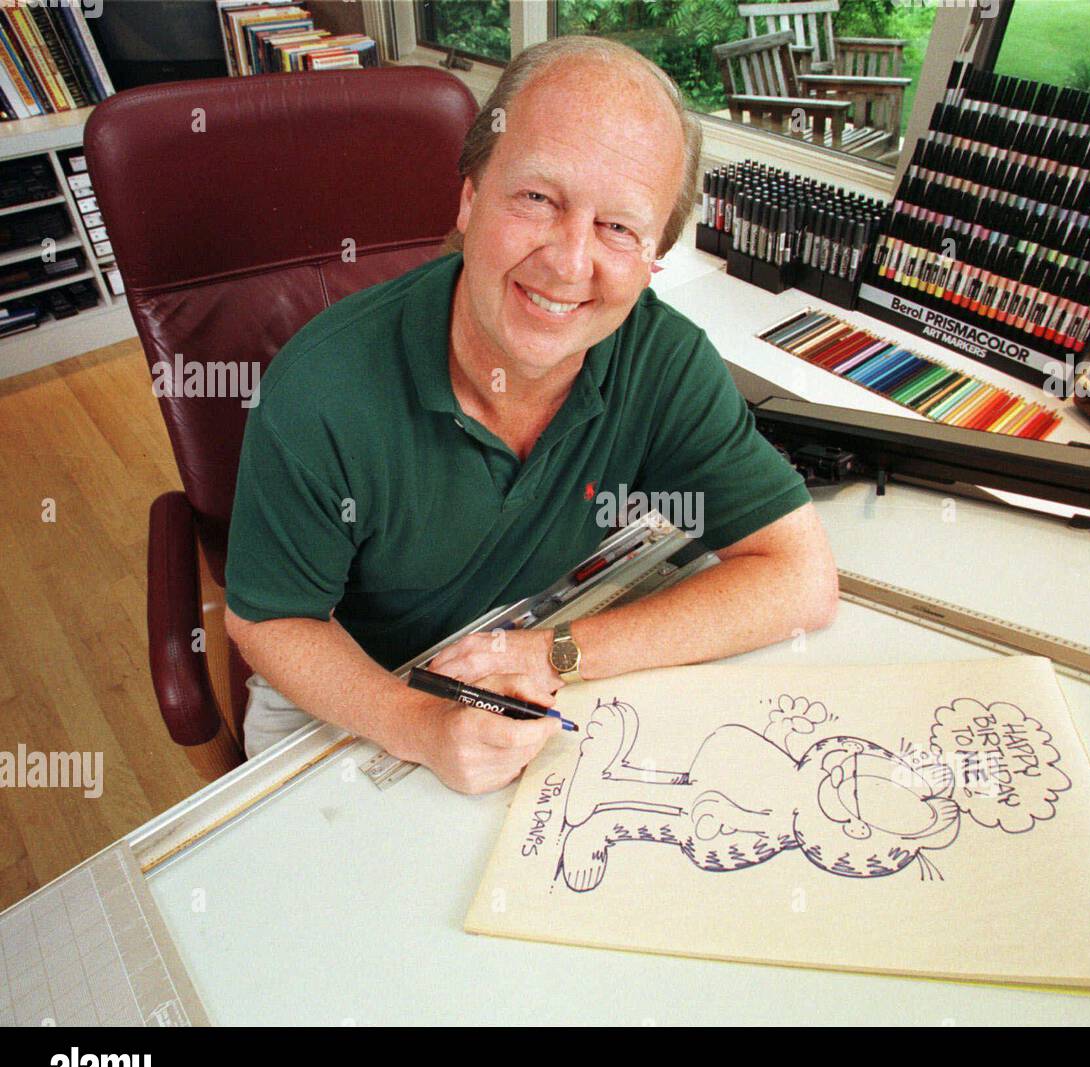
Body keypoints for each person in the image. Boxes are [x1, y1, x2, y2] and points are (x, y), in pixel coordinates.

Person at [224, 36, 838, 793]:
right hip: (347, 688)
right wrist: (420, 724)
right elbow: (269, 622)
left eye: (618, 227)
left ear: (654, 260)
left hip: (517, 661)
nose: (569, 262)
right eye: (539, 198)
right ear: (471, 196)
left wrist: (555, 653)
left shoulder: (664, 361)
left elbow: (800, 577)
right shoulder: (320, 388)